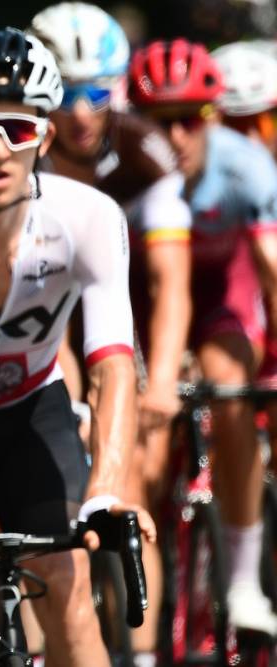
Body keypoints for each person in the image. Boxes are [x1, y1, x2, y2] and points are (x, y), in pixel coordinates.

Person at [0, 27, 156, 666]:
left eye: (19, 130)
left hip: (32, 410)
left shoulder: (87, 216)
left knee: (68, 592)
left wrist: (107, 485)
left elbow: (112, 363)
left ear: (45, 139)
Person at [30, 6, 192, 659]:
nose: (79, 112)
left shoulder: (144, 151)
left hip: (118, 311)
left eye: (95, 94)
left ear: (117, 92)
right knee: (45, 502)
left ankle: (144, 652)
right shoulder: (22, 151)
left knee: (129, 487)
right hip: (45, 317)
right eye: (64, 94)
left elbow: (169, 281)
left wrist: (164, 385)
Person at [129, 38, 277, 635]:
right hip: (141, 302)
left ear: (212, 117)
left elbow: (271, 273)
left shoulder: (246, 165)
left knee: (232, 388)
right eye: (159, 122)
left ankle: (242, 583)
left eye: (190, 119)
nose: (175, 137)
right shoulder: (122, 172)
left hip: (219, 298)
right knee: (141, 439)